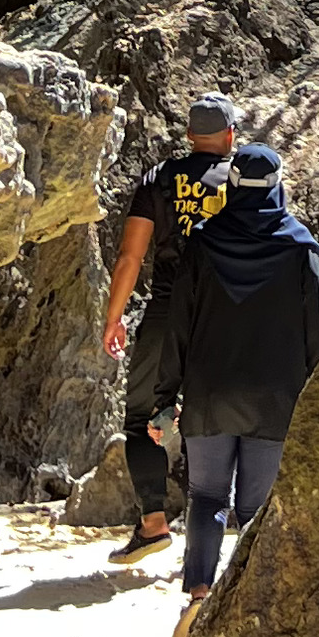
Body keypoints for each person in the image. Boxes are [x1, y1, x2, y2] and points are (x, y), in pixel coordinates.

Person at [165, 141, 319, 637]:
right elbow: (318, 334)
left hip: (209, 394)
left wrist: (162, 396)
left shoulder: (203, 241)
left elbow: (177, 326)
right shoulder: (301, 248)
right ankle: (253, 610)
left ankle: (198, 594)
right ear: (278, 186)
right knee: (256, 506)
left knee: (207, 497)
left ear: (231, 187)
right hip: (274, 399)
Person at [97, 91, 237, 563]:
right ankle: (219, 537)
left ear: (189, 137)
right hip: (223, 315)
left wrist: (114, 317)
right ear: (230, 136)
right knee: (219, 422)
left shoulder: (159, 178)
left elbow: (130, 256)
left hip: (164, 312)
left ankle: (153, 523)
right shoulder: (241, 180)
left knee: (141, 417)